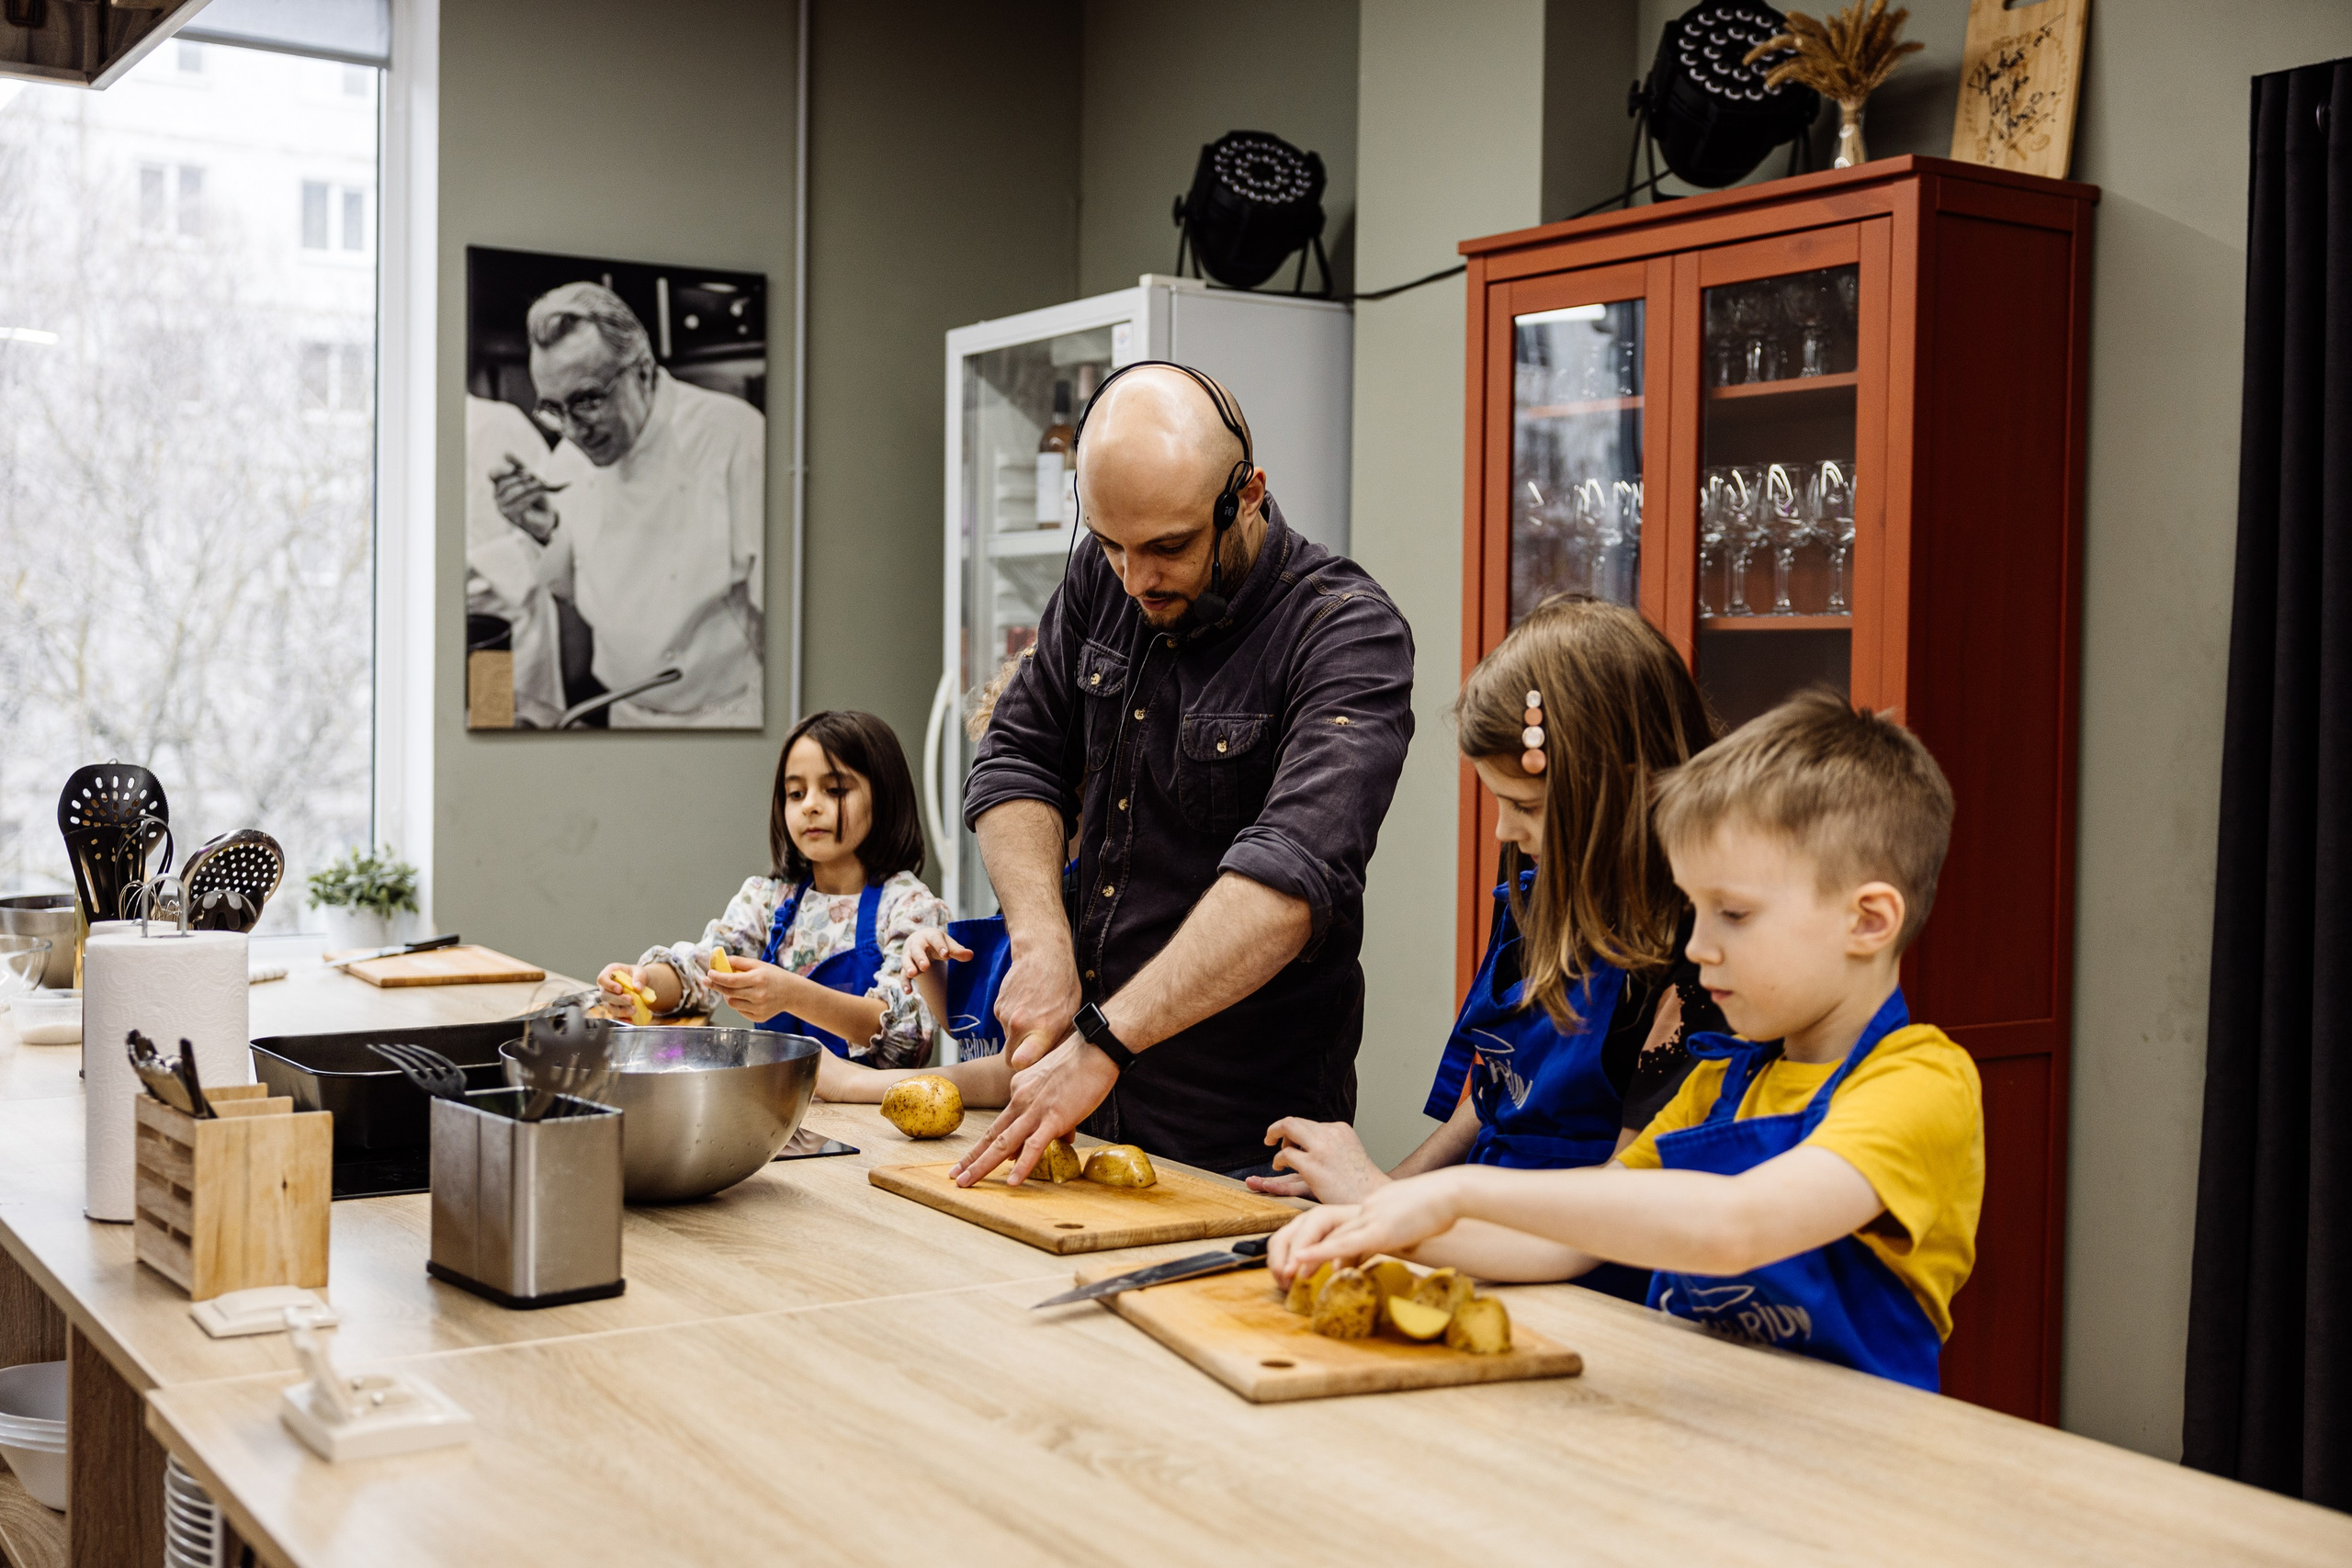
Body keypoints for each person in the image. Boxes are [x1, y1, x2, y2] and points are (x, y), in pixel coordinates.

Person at [1269, 691, 1984, 1391]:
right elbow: (1563, 1238)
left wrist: (1456, 1190)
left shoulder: (1921, 1083)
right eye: (1697, 910)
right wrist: (1373, 1227)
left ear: (1868, 920)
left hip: (1856, 1470)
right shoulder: (1717, 1084)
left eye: (1732, 912)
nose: (1698, 947)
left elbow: (1737, 1225)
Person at [949, 363, 1414, 1184]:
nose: (1136, 579)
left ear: (1248, 494)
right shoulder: (1108, 580)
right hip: (1077, 1103)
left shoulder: (1347, 632)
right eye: (1110, 546)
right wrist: (1043, 937)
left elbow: (1290, 880)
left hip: (1237, 1137)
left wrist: (1106, 1038)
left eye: (1168, 547)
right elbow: (1017, 753)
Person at [1246, 598, 1728, 1301]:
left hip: (1587, 1287)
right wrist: (1384, 1196)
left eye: (1528, 807)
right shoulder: (1538, 901)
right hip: (1473, 1251)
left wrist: (1378, 1202)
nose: (1503, 829)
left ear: (1620, 788)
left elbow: (1618, 1216)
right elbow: (1491, 1091)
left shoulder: (1703, 960)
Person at [597, 711, 950, 1066]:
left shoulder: (910, 907)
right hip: (780, 1107)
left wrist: (791, 995)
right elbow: (700, 972)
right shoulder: (767, 900)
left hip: (871, 1114)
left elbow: (906, 1040)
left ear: (885, 797)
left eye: (834, 790)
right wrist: (643, 984)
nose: (810, 805)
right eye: (796, 793)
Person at [493, 281, 764, 728]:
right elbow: (579, 589)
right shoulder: (569, 458)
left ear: (642, 370)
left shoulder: (734, 437)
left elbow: (783, 615)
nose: (574, 431)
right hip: (625, 712)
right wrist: (544, 530)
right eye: (554, 409)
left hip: (724, 717)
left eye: (587, 401)